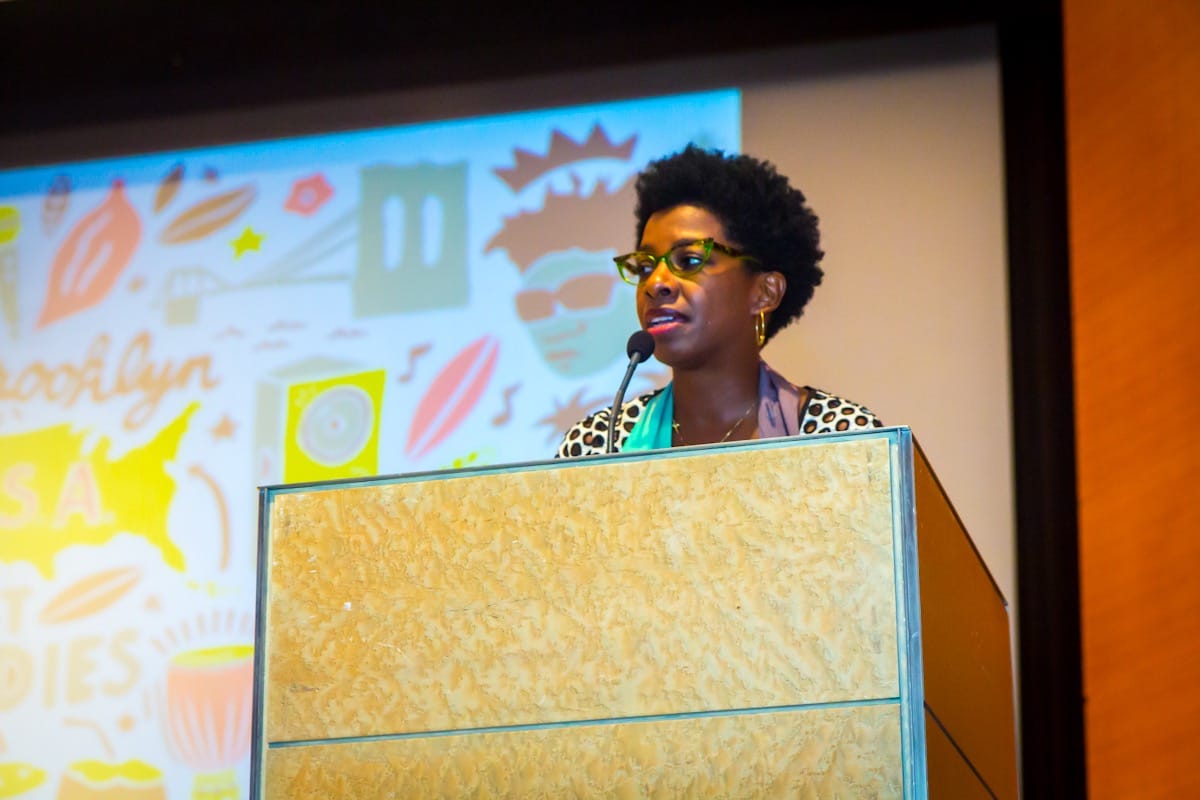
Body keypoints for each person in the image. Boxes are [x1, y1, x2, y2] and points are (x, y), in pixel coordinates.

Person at [556, 144, 882, 458]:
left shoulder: (838, 439)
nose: (655, 283)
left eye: (690, 261)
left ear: (764, 292)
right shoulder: (599, 446)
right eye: (645, 266)